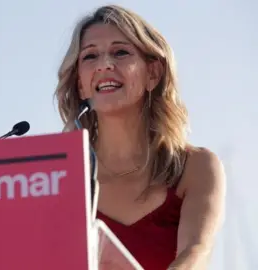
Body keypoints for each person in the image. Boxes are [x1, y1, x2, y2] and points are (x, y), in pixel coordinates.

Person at [54, 5, 226, 270]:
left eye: (120, 52)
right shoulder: (59, 178)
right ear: (79, 82)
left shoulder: (196, 166)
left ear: (153, 74)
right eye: (90, 56)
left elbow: (196, 252)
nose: (104, 65)